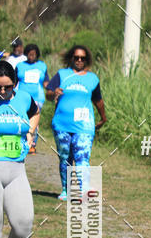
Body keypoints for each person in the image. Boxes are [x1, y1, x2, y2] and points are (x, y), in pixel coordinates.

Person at [0, 60, 39, 238]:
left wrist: (31, 131)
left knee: (24, 224)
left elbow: (35, 112)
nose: (2, 92)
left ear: (15, 84)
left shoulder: (23, 98)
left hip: (16, 171)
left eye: (7, 87)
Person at [45, 45, 106, 200]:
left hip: (84, 125)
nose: (79, 60)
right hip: (62, 124)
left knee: (82, 156)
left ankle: (83, 189)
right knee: (65, 157)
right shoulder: (62, 74)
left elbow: (98, 100)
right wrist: (54, 93)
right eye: (76, 57)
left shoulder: (93, 78)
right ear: (71, 58)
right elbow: (49, 94)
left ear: (87, 60)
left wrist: (103, 117)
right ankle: (66, 189)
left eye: (82, 58)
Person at [16, 44, 49, 154]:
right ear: (26, 54)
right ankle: (21, 142)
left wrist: (52, 91)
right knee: (22, 120)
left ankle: (32, 145)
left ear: (37, 55)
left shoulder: (42, 65)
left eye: (33, 55)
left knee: (34, 122)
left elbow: (46, 82)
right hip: (22, 97)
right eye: (29, 54)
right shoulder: (20, 66)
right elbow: (14, 81)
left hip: (37, 98)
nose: (31, 56)